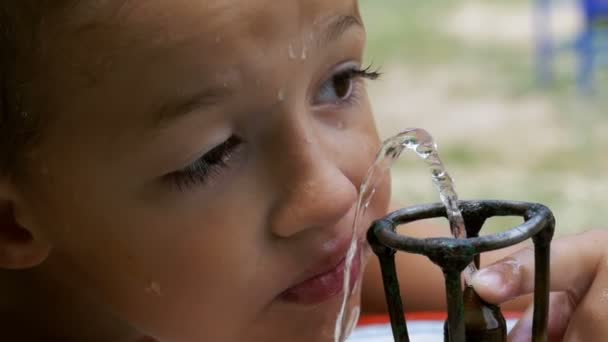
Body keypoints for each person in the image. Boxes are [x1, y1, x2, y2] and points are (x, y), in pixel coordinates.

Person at [0, 1, 606, 341]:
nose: (331, 193)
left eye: (340, 83)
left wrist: (582, 279)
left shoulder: (277, 276)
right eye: (211, 154)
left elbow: (502, 279)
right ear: (11, 222)